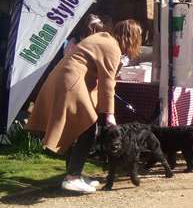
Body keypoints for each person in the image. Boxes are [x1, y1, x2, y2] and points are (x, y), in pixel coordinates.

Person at [26, 20, 142, 193]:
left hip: (66, 79)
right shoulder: (112, 47)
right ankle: (72, 177)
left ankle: (74, 174)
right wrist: (109, 113)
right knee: (88, 126)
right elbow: (107, 83)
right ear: (131, 37)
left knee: (77, 128)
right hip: (70, 82)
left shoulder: (105, 40)